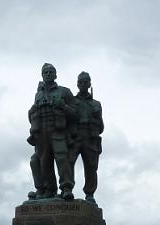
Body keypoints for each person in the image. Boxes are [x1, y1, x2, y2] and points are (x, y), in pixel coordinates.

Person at [27, 63, 77, 200]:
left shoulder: (64, 92)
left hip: (58, 131)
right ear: (42, 75)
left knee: (62, 159)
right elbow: (33, 114)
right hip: (42, 133)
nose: (48, 74)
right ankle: (49, 189)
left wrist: (63, 106)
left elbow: (75, 114)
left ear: (55, 75)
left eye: (51, 72)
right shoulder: (38, 94)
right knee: (44, 162)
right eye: (46, 72)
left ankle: (66, 188)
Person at [69, 71, 104, 204]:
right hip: (75, 136)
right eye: (81, 82)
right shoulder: (71, 101)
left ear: (89, 84)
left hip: (90, 137)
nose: (83, 84)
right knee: (69, 162)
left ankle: (90, 193)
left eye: (86, 81)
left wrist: (97, 117)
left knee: (91, 166)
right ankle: (68, 189)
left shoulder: (96, 104)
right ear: (78, 84)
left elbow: (101, 128)